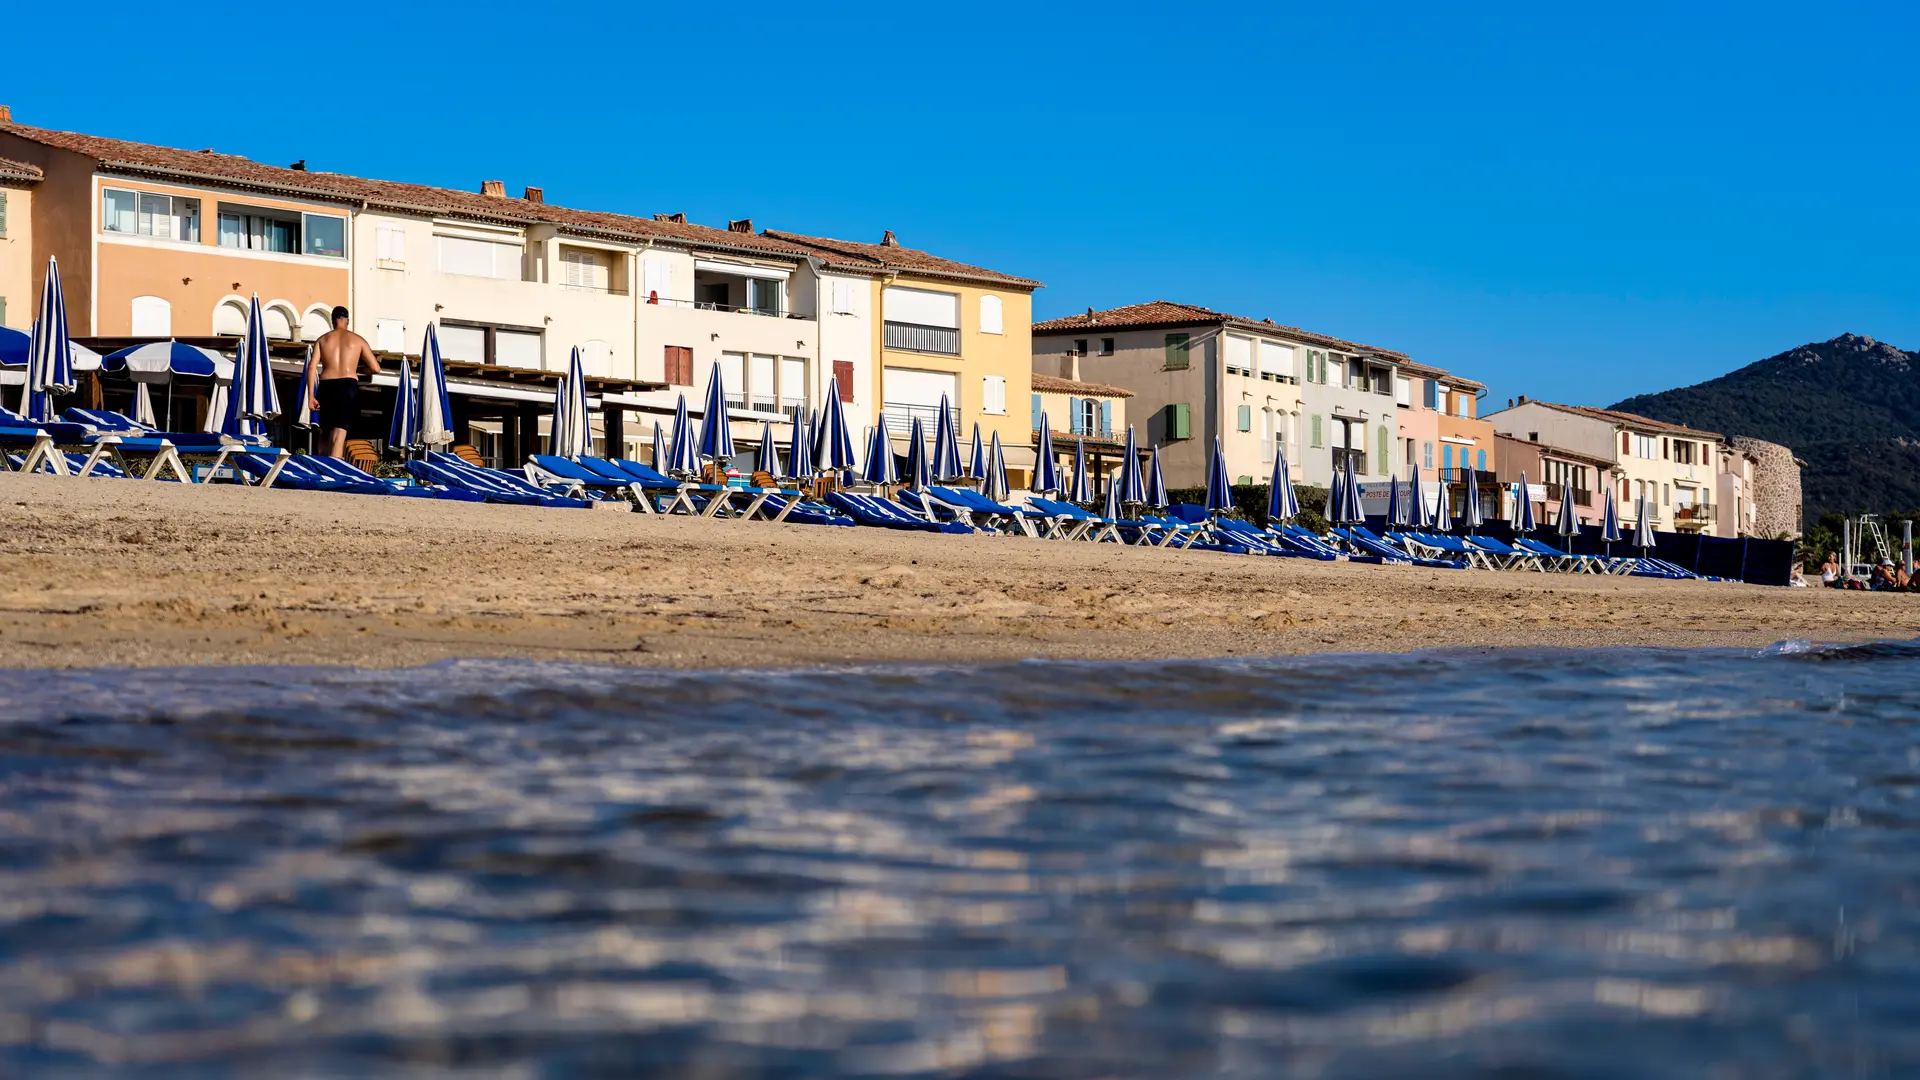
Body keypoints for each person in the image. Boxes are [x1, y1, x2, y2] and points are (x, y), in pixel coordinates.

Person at [306, 306, 381, 459]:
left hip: (326, 385)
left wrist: (310, 396)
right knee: (339, 434)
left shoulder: (322, 340)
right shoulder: (357, 340)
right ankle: (334, 473)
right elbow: (376, 368)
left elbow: (312, 366)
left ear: (332, 320)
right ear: (347, 320)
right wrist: (356, 369)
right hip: (347, 386)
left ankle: (321, 469)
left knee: (325, 431)